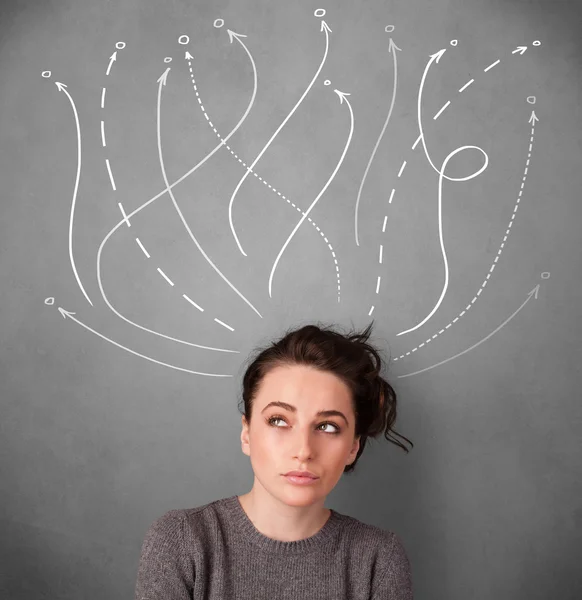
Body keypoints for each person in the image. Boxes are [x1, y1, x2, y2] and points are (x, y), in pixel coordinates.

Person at [134, 321, 414, 599]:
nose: (303, 450)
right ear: (246, 433)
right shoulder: (182, 540)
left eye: (328, 426)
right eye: (279, 420)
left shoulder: (379, 560)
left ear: (354, 447)